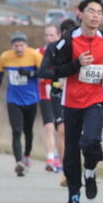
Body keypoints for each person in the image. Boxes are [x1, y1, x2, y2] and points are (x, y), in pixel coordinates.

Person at [48, 0, 103, 203]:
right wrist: (76, 64)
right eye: (91, 11)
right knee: (71, 150)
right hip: (71, 100)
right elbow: (55, 70)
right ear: (80, 13)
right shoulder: (68, 39)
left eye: (99, 12)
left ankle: (90, 171)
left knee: (90, 142)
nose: (95, 15)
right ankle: (74, 193)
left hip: (96, 98)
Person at [0, 32, 43, 176]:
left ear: (26, 45)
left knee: (28, 131)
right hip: (13, 99)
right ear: (12, 46)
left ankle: (26, 155)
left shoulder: (34, 55)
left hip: (31, 99)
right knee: (16, 131)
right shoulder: (5, 56)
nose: (19, 48)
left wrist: (30, 74)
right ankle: (19, 162)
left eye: (21, 45)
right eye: (16, 45)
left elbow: (45, 72)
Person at [37, 24, 64, 172]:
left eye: (51, 35)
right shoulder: (38, 52)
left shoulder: (62, 53)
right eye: (46, 35)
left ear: (58, 36)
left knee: (61, 130)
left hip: (60, 94)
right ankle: (50, 158)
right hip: (44, 94)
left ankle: (60, 159)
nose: (48, 38)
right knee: (48, 127)